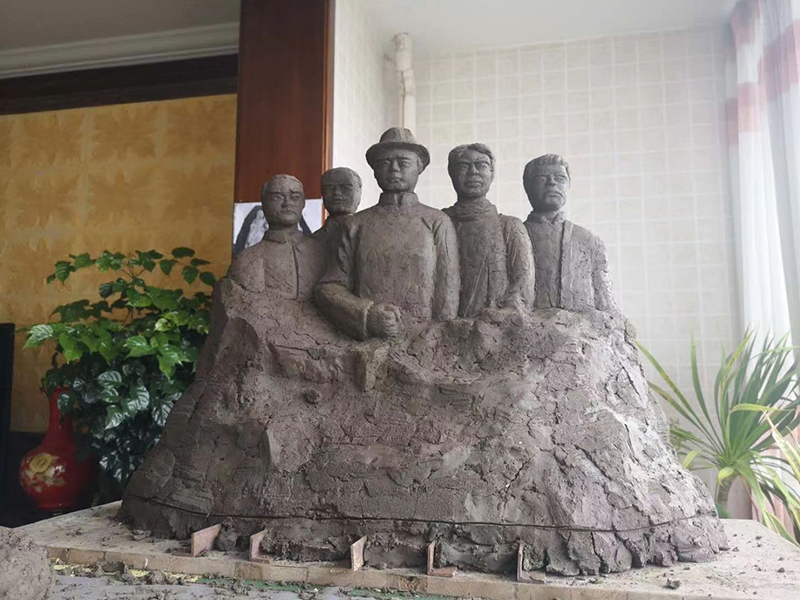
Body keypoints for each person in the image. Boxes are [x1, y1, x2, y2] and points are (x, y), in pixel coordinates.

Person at [315, 128, 460, 340]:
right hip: (369, 341)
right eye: (384, 163)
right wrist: (367, 314)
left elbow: (447, 294)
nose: (394, 169)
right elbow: (329, 287)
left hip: (425, 342)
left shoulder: (437, 221)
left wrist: (432, 338)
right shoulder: (356, 224)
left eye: (403, 162)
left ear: (419, 167)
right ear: (375, 171)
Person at [444, 143, 535, 317]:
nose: (473, 172)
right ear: (451, 173)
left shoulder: (510, 226)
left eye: (481, 165)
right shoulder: (439, 222)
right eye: (464, 166)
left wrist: (503, 315)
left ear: (492, 174)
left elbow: (523, 285)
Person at [522, 154, 616, 312]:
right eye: (542, 178)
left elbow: (606, 304)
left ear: (568, 185)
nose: (552, 183)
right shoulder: (514, 236)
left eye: (560, 178)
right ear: (527, 187)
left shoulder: (589, 240)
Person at [228, 174, 325, 300]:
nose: (287, 203)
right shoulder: (248, 258)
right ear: (264, 203)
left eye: (295, 197)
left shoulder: (321, 252)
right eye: (277, 197)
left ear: (303, 203)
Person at [312, 167, 362, 253]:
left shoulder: (371, 234)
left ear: (359, 191)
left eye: (345, 188)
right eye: (330, 188)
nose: (337, 193)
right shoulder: (312, 242)